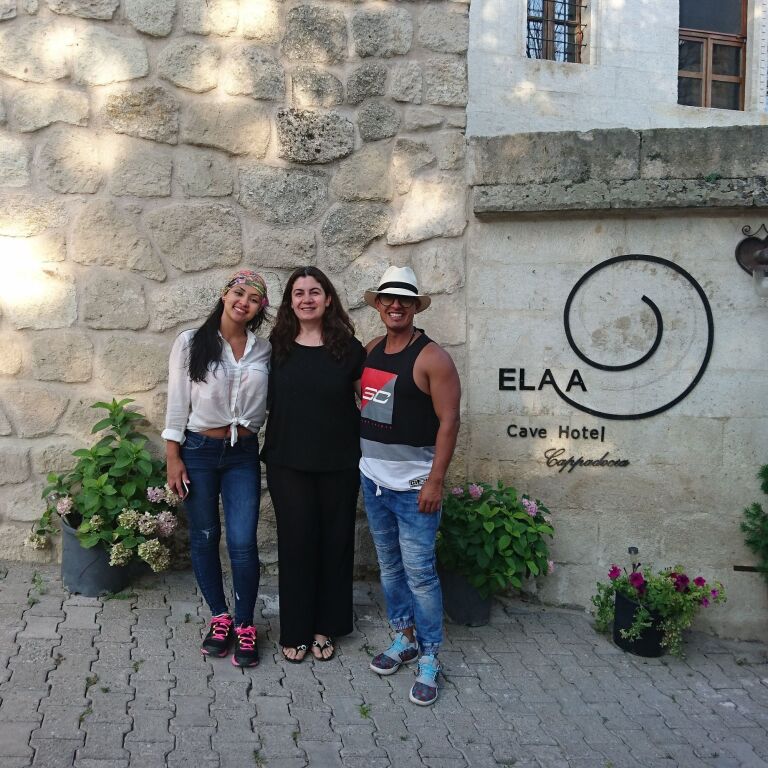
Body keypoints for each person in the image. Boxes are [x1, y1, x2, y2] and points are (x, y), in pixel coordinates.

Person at [359, 265, 461, 706]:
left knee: (420, 575)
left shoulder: (432, 358)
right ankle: (405, 639)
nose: (396, 305)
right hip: (374, 482)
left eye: (404, 299)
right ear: (379, 305)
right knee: (390, 568)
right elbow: (370, 406)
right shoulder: (371, 349)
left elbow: (449, 421)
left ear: (416, 307)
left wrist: (435, 481)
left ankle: (430, 655)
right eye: (389, 298)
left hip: (415, 488)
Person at [163, 269, 270, 668]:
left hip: (243, 453)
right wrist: (173, 456)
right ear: (225, 295)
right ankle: (220, 618)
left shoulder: (264, 350)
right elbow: (177, 402)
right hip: (198, 451)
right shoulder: (191, 342)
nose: (244, 302)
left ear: (260, 308)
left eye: (254, 299)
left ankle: (245, 624)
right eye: (239, 293)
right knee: (205, 536)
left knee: (243, 541)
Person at [261, 266, 365, 664]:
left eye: (315, 292)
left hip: (339, 462)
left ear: (328, 298)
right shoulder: (275, 348)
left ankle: (326, 626)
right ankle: (296, 629)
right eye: (299, 293)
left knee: (335, 543)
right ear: (290, 302)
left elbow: (370, 401)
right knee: (296, 543)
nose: (307, 299)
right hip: (288, 461)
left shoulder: (349, 349)